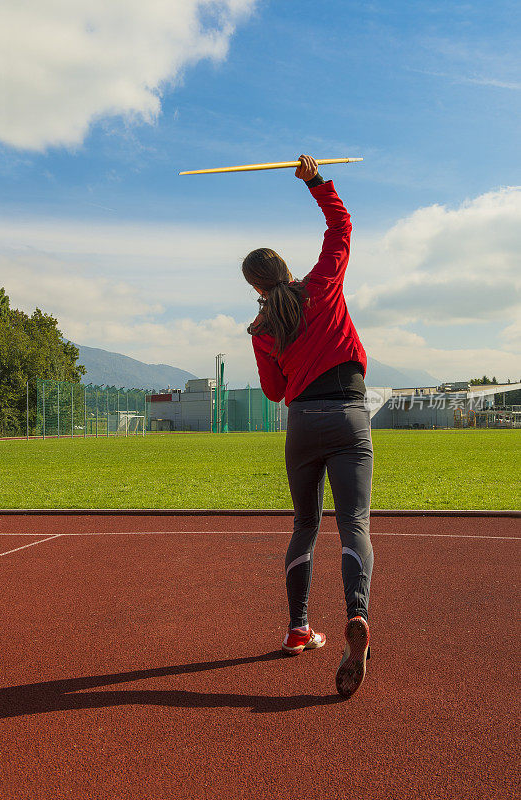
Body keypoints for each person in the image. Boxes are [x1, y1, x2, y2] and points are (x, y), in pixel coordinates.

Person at [242, 155, 373, 700]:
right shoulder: (321, 284)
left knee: (305, 526)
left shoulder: (261, 327)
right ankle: (357, 615)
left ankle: (299, 628)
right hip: (349, 415)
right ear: (287, 269)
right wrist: (315, 181)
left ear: (254, 285)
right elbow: (341, 228)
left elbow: (273, 391)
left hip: (301, 423)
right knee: (355, 524)